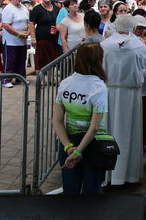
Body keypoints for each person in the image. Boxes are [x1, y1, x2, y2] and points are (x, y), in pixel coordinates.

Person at [101, 15, 146, 185]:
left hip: (110, 92)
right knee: (128, 132)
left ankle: (110, 175)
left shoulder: (105, 45)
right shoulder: (138, 45)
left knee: (110, 130)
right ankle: (127, 175)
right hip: (130, 94)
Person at [52, 42, 109, 195]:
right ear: (98, 61)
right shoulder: (99, 87)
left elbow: (56, 121)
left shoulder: (65, 83)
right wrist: (78, 152)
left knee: (70, 194)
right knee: (91, 195)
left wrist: (69, 148)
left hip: (68, 144)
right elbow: (95, 127)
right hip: (93, 147)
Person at [0, 0, 29, 88]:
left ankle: (21, 78)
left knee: (22, 60)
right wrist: (19, 34)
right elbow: (6, 25)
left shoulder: (24, 7)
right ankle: (6, 80)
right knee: (10, 60)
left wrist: (28, 32)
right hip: (11, 40)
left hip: (23, 40)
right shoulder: (8, 9)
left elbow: (28, 22)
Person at [29, 0, 60, 71]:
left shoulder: (57, 9)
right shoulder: (37, 9)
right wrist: (33, 38)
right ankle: (41, 80)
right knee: (42, 60)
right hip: (42, 39)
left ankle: (52, 78)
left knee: (53, 60)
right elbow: (31, 24)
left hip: (54, 39)